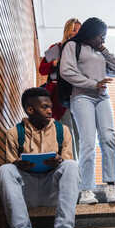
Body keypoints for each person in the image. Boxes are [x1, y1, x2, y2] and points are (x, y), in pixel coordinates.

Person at [0, 87, 80, 228]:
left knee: (71, 165)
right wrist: (17, 164)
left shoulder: (63, 130)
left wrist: (60, 160)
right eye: (44, 107)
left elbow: (67, 163)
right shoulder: (14, 133)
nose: (50, 111)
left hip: (52, 191)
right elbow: (10, 162)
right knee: (5, 169)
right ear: (30, 109)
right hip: (26, 192)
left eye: (50, 107)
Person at [59, 17, 115, 204]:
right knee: (87, 141)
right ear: (91, 33)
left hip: (103, 98)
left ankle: (110, 185)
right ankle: (86, 190)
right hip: (82, 97)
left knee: (108, 138)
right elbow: (66, 71)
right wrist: (93, 84)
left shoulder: (100, 51)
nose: (103, 40)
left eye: (105, 37)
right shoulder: (72, 46)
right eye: (101, 36)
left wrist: (103, 49)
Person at [39, 18, 81, 161]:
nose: (76, 33)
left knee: (79, 134)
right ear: (67, 30)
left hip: (77, 94)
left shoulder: (82, 49)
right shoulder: (56, 48)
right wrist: (54, 63)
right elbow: (42, 69)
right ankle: (70, 165)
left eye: (79, 30)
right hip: (60, 95)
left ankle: (78, 169)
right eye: (74, 29)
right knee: (67, 132)